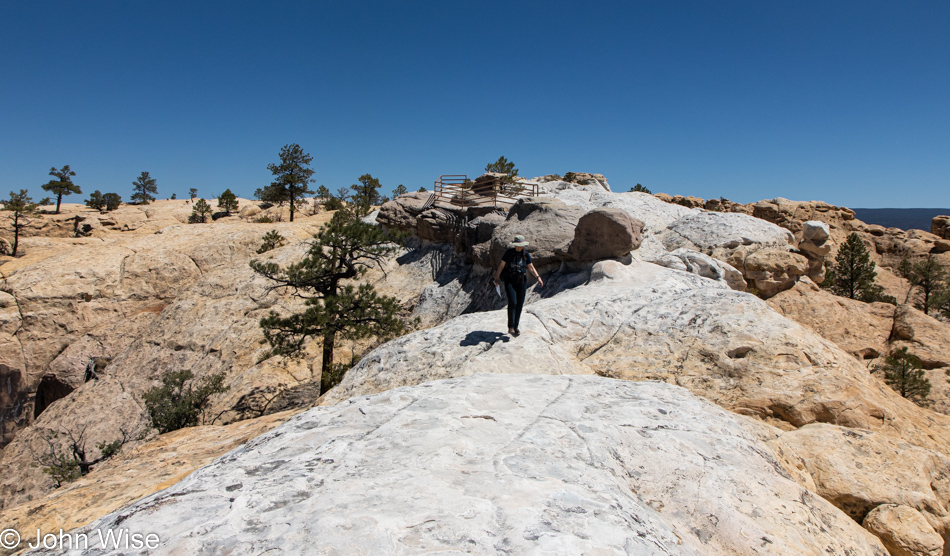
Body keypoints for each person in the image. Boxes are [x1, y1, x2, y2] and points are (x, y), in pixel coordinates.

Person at [493, 234, 543, 337]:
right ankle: (510, 326)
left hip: (521, 281)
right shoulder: (509, 253)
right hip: (510, 280)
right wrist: (497, 278)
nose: (519, 247)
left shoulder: (525, 254)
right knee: (513, 302)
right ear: (515, 245)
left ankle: (516, 327)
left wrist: (538, 277)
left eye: (521, 245)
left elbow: (530, 267)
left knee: (520, 304)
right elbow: (502, 265)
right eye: (518, 245)